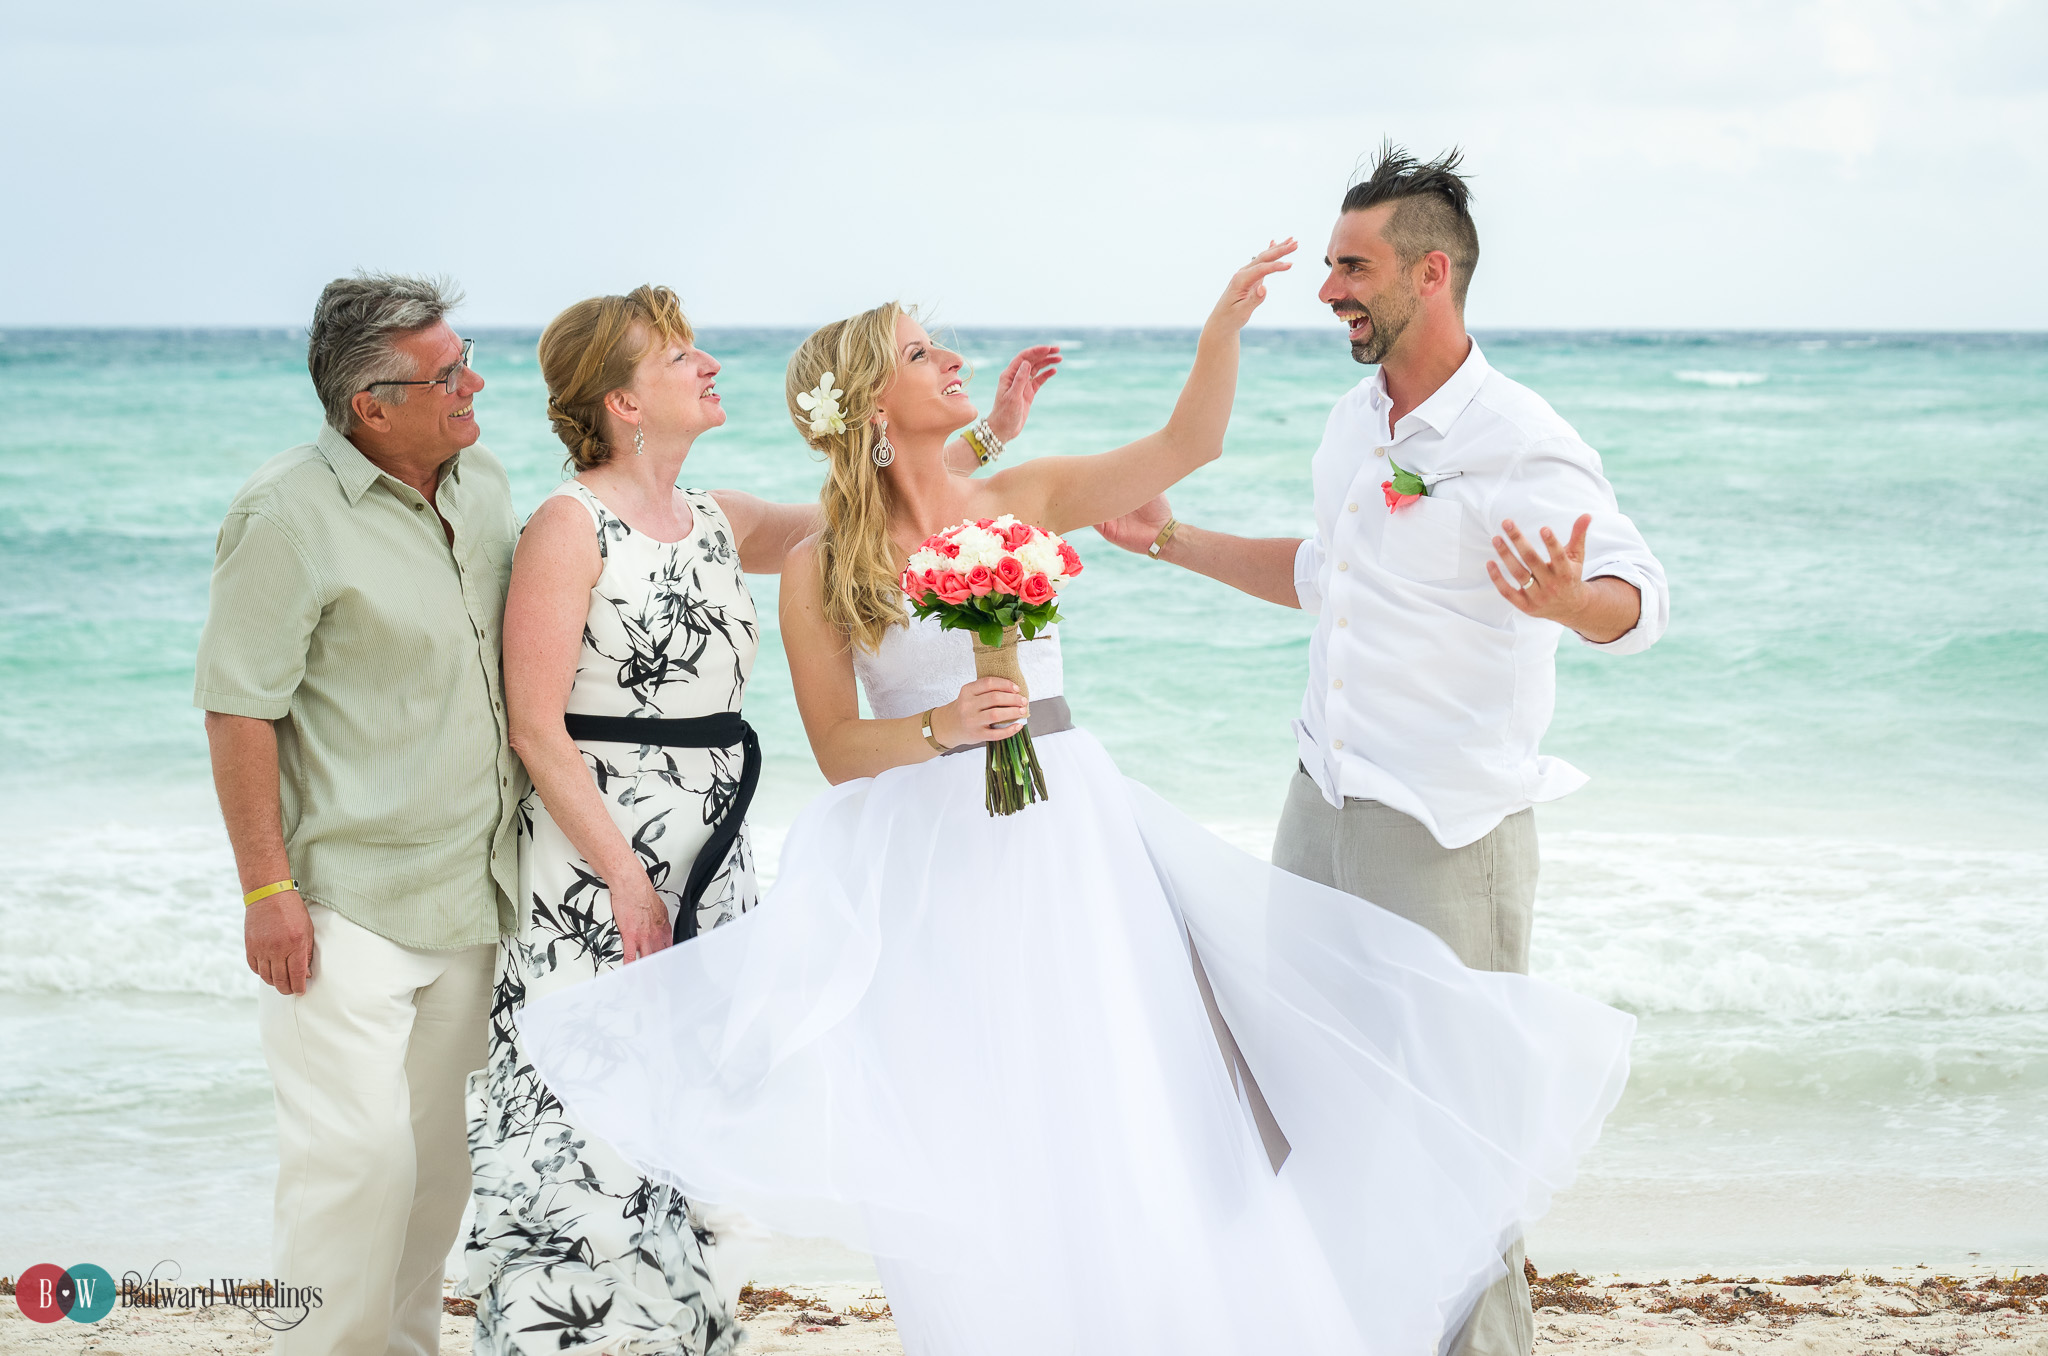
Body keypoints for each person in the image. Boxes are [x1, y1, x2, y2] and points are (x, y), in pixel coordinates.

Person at [512, 247, 1638, 1356]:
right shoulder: (820, 562)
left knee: (1117, 1104)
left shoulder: (1023, 495)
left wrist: (1218, 335)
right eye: (918, 351)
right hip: (927, 863)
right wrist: (940, 729)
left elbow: (1185, 445)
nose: (948, 355)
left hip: (1068, 835)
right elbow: (839, 747)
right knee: (983, 1128)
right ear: (868, 403)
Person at [1096, 145, 1671, 1356]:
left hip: (1446, 831)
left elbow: (1637, 592)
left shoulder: (1517, 434)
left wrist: (1576, 604)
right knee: (1315, 1114)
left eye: (1350, 268)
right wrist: (1170, 541)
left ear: (1431, 271)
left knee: (1454, 1141)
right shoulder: (1354, 421)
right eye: (1327, 267)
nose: (1328, 291)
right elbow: (1328, 578)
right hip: (1321, 802)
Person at [462, 286, 1059, 1356]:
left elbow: (871, 509)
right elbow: (538, 730)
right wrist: (622, 876)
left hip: (712, 847)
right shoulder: (567, 525)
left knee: (691, 1110)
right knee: (584, 1118)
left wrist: (986, 434)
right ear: (622, 402)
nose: (709, 367)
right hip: (598, 862)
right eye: (679, 357)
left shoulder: (716, 517)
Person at [195, 273, 517, 1356]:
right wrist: (266, 890)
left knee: (434, 1178)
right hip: (343, 904)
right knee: (354, 1175)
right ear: (369, 406)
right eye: (447, 374)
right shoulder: (283, 513)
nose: (474, 384)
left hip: (476, 894)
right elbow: (239, 707)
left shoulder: (487, 487)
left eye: (466, 357)